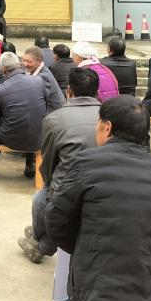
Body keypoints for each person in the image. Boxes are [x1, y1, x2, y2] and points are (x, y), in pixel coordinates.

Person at [43, 95, 151, 301]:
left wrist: (83, 245)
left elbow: (55, 219)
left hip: (105, 294)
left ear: (107, 127)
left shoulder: (86, 162)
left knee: (98, 261)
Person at [19, 67, 101, 264]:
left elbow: (48, 161)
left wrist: (50, 183)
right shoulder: (109, 115)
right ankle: (41, 241)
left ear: (68, 91)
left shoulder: (55, 119)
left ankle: (41, 242)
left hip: (68, 188)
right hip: (103, 183)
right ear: (97, 92)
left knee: (41, 198)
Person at [0, 51, 48, 179]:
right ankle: (29, 164)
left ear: (3, 69)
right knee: (31, 117)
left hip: (12, 139)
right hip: (38, 136)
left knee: (1, 122)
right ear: (19, 64)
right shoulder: (38, 81)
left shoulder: (0, 90)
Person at [22, 46, 65, 112]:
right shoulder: (40, 70)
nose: (25, 64)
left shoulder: (44, 77)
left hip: (55, 113)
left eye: (28, 61)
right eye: (23, 60)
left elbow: (34, 100)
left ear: (39, 61)